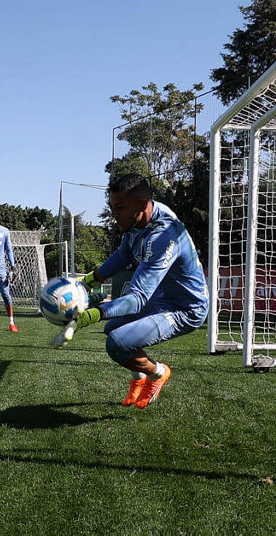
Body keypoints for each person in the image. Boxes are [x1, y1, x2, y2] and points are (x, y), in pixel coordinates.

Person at [52, 173, 207, 409]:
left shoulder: (163, 235)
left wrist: (89, 316)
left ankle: (158, 373)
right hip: (162, 299)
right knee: (112, 328)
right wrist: (88, 282)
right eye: (112, 207)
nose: (114, 214)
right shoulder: (137, 220)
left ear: (142, 206)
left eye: (120, 208)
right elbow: (124, 254)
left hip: (186, 309)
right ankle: (139, 377)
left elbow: (137, 299)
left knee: (117, 343)